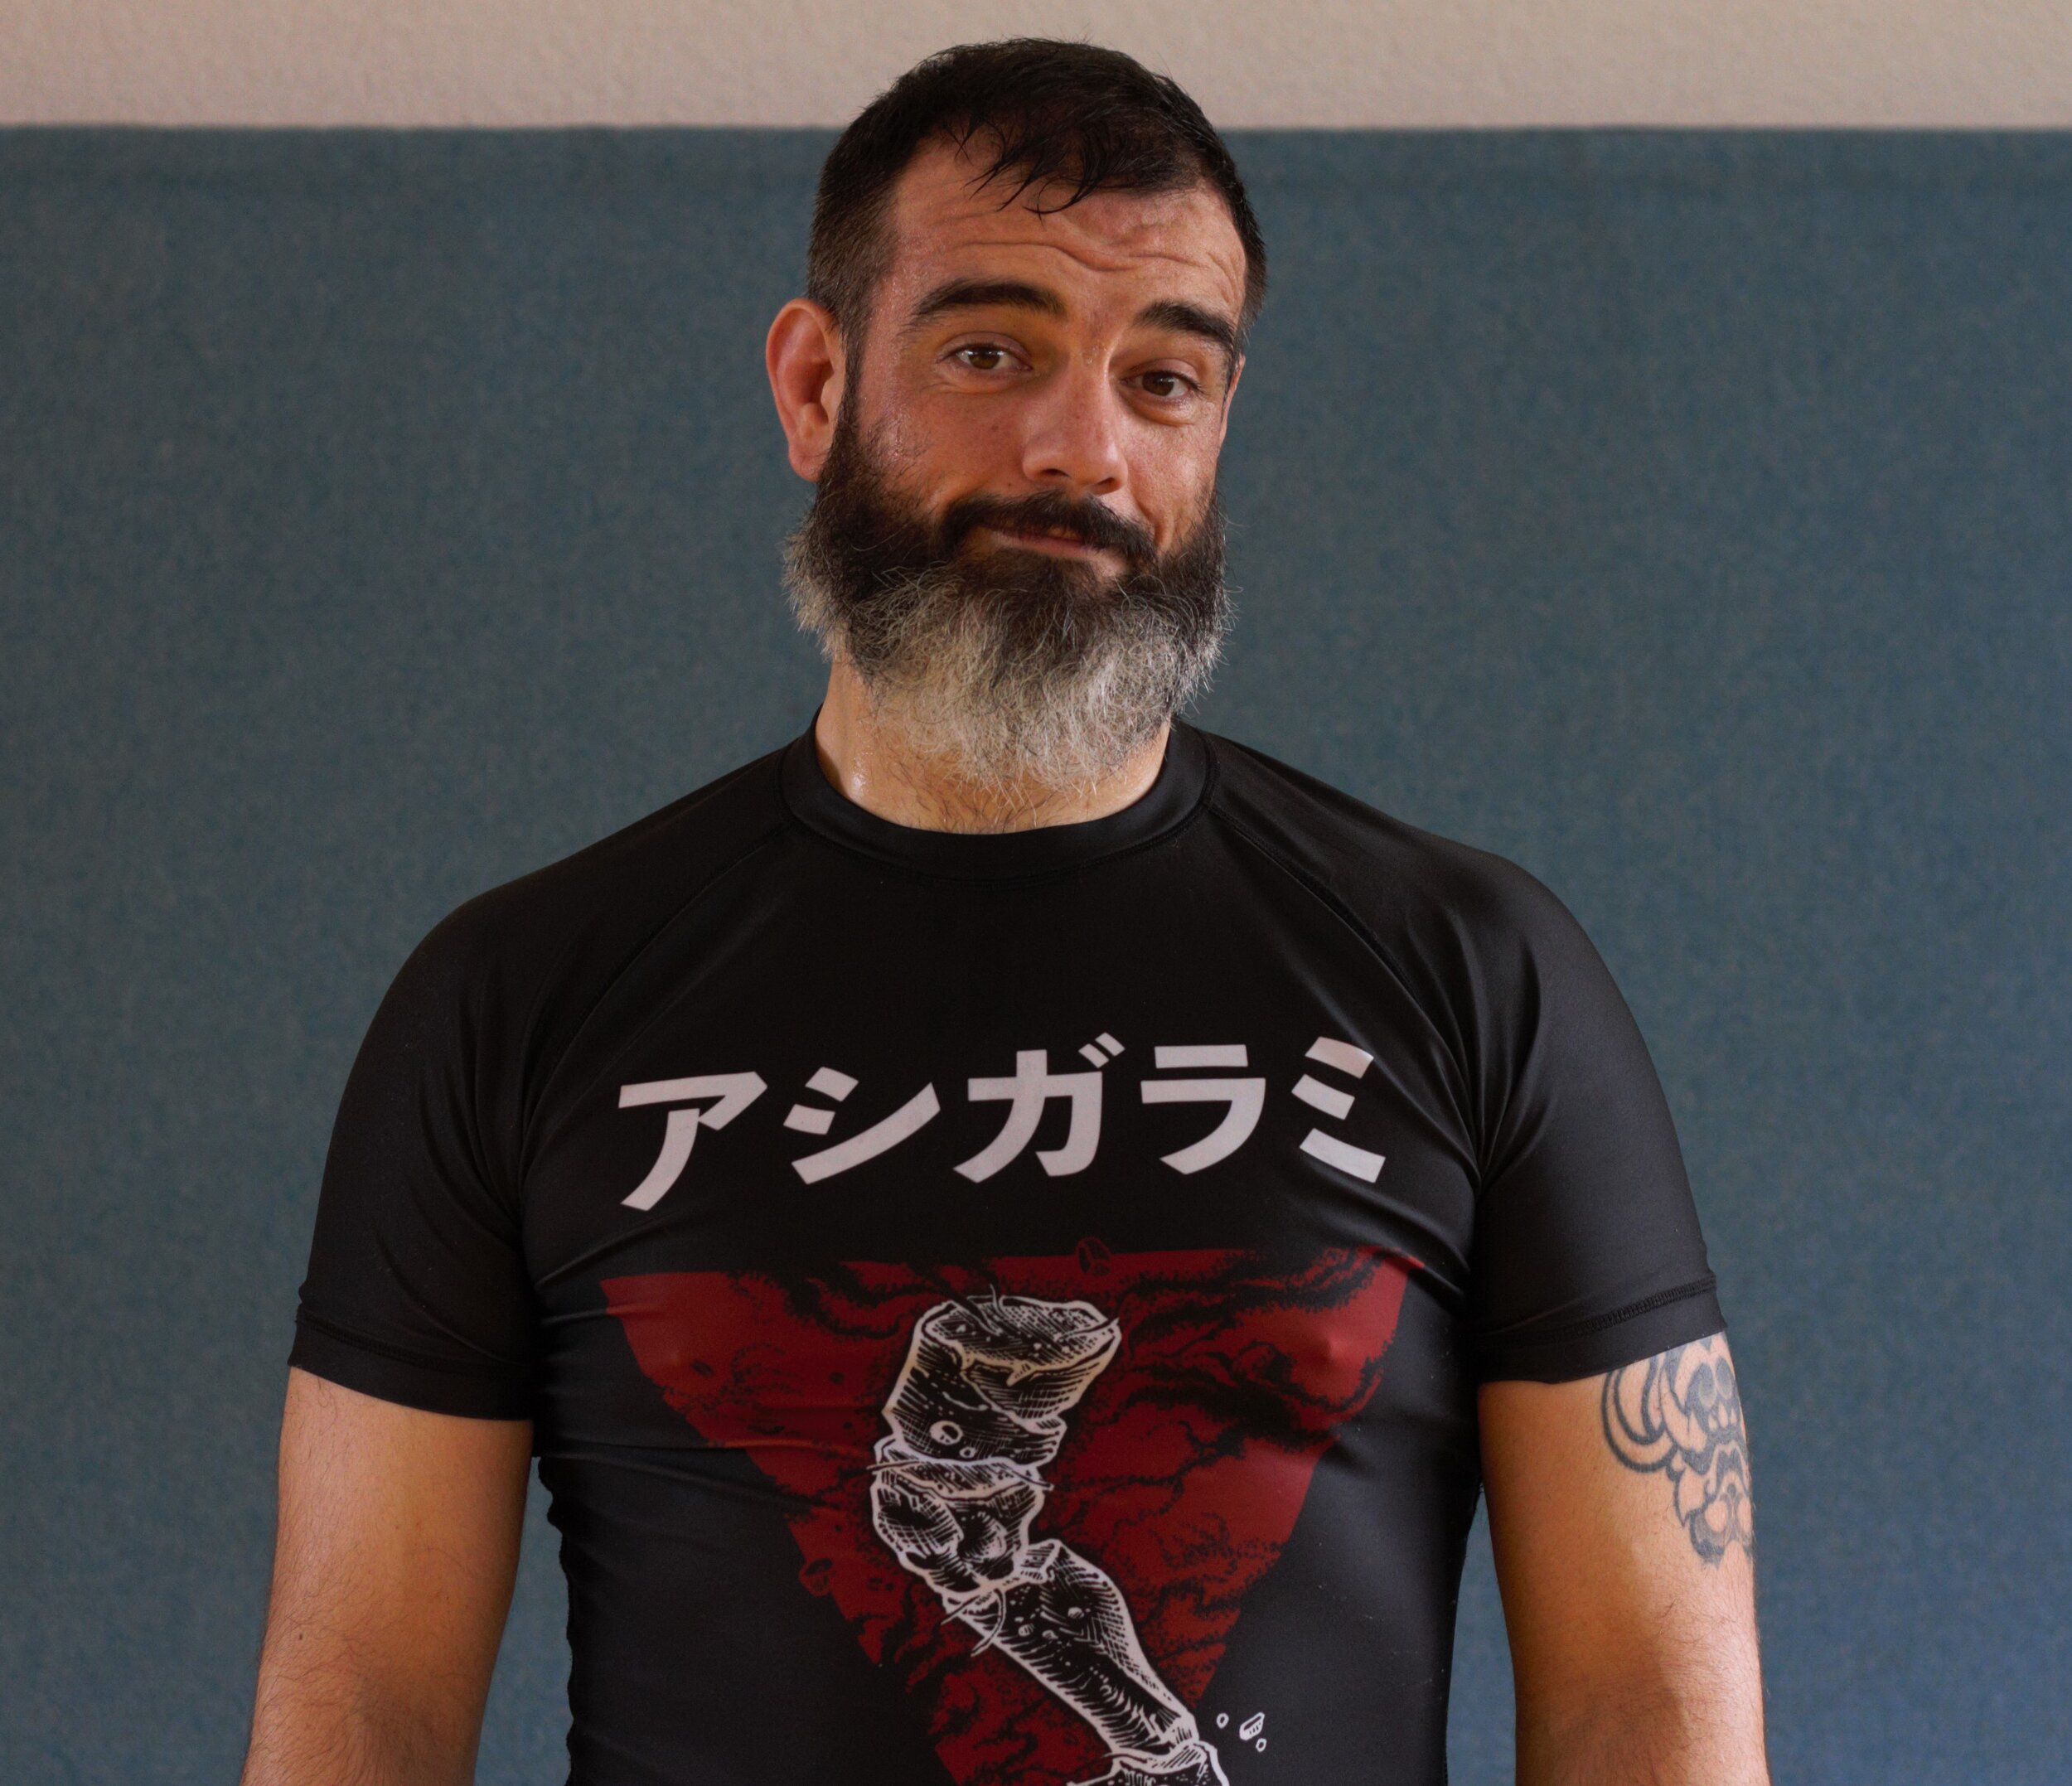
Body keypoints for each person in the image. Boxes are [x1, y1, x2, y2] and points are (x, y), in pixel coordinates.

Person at [241, 38, 1768, 1786]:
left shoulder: (1474, 976)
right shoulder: (517, 999)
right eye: (989, 351)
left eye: (1164, 379)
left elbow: (1648, 1702)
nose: (1080, 450)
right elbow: (361, 1700)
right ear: (815, 387)